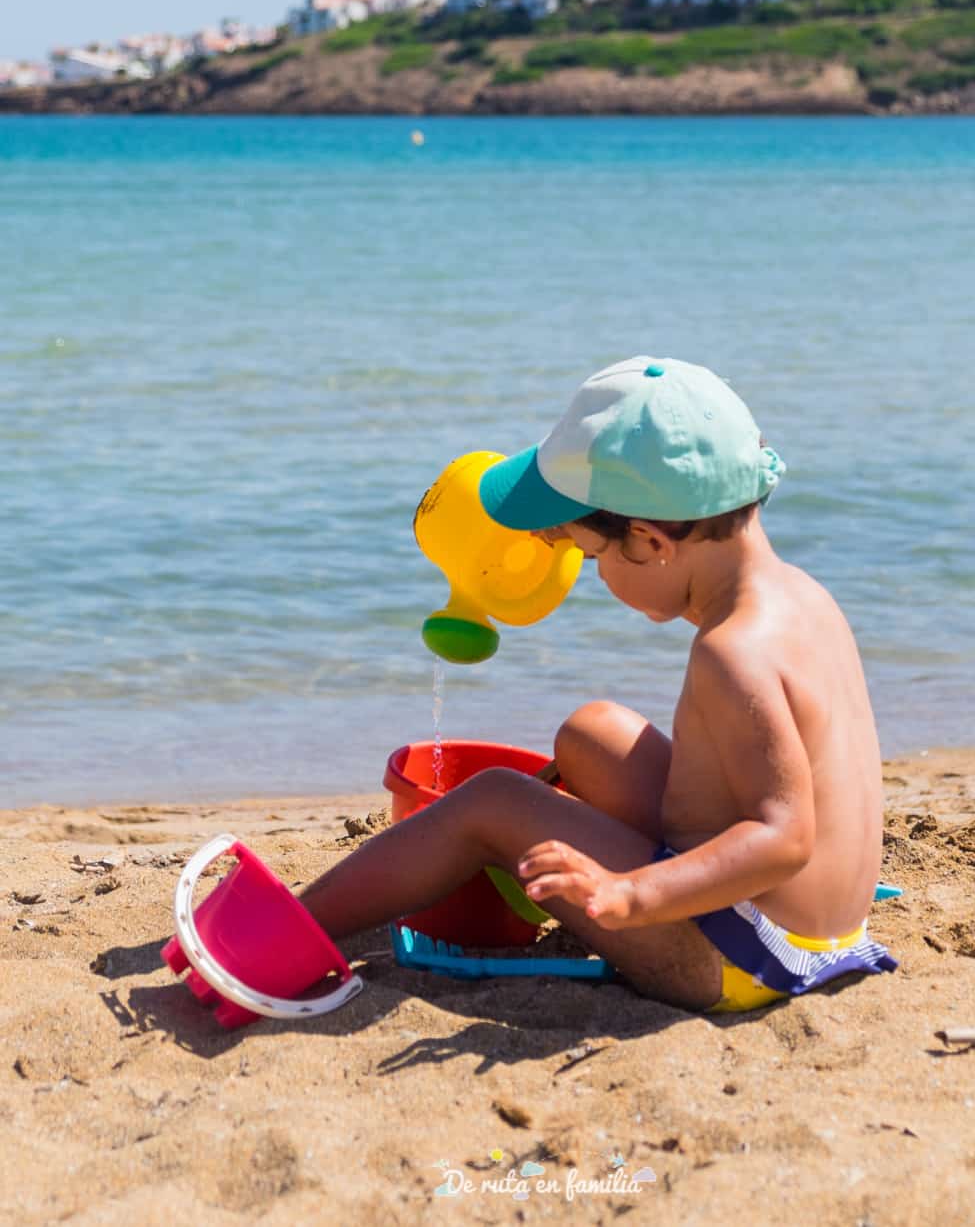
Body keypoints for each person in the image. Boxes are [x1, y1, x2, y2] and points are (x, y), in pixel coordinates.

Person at [301, 356, 896, 1013]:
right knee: (594, 732)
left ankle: (287, 930)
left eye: (589, 556)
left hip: (750, 957)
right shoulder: (801, 599)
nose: (589, 573)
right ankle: (508, 849)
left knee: (494, 799)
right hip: (825, 930)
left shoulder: (733, 655)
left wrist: (632, 894)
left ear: (648, 540)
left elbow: (784, 837)